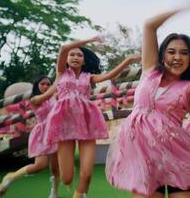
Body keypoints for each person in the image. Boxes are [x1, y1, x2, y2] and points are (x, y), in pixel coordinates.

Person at [106, 3, 190, 198]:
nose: (177, 57)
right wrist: (184, 7)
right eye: (171, 51)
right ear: (162, 56)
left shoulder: (189, 90)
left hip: (177, 156)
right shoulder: (149, 72)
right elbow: (149, 25)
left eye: (184, 53)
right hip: (143, 158)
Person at [43, 36, 141, 198]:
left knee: (87, 173)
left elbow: (110, 75)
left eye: (79, 55)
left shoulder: (88, 77)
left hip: (86, 123)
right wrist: (88, 41)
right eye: (72, 55)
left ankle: (81, 194)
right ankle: (66, 177)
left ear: (84, 61)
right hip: (64, 125)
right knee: (66, 178)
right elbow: (63, 48)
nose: (75, 57)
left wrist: (128, 60)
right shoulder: (61, 73)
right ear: (66, 59)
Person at [0, 75, 59, 198]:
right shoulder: (34, 99)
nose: (46, 86)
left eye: (48, 84)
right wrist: (57, 80)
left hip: (56, 132)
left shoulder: (53, 97)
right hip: (42, 133)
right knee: (39, 165)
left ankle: (54, 192)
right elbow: (48, 96)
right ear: (37, 85)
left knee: (55, 167)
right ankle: (11, 177)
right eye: (42, 84)